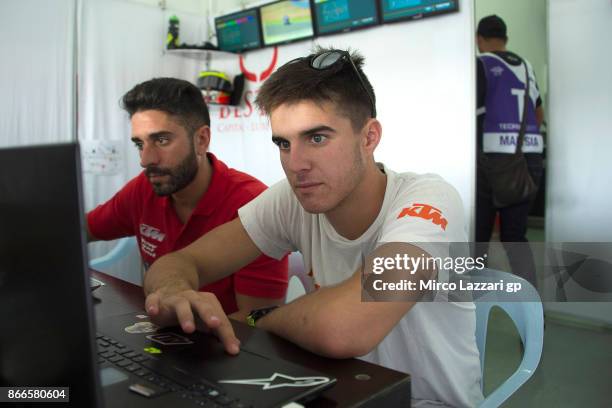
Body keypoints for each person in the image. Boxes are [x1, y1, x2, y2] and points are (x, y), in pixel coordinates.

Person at [143, 50, 483, 407]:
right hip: (343, 396)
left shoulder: (429, 199)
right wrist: (173, 292)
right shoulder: (295, 197)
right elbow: (182, 262)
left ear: (369, 138)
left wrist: (260, 319)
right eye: (284, 143)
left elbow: (345, 327)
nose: (296, 164)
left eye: (317, 138)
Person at [86, 77, 288, 319]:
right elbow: (82, 229)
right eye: (140, 144)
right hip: (162, 337)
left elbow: (255, 322)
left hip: (226, 349)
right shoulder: (144, 189)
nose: (145, 159)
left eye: (161, 140)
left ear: (201, 140)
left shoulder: (253, 204)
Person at [475, 15, 545, 287]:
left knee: (479, 238)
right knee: (515, 237)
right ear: (505, 38)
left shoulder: (481, 64)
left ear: (479, 39)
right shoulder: (526, 66)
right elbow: (538, 113)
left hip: (494, 162)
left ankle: (472, 309)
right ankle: (532, 310)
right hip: (530, 159)